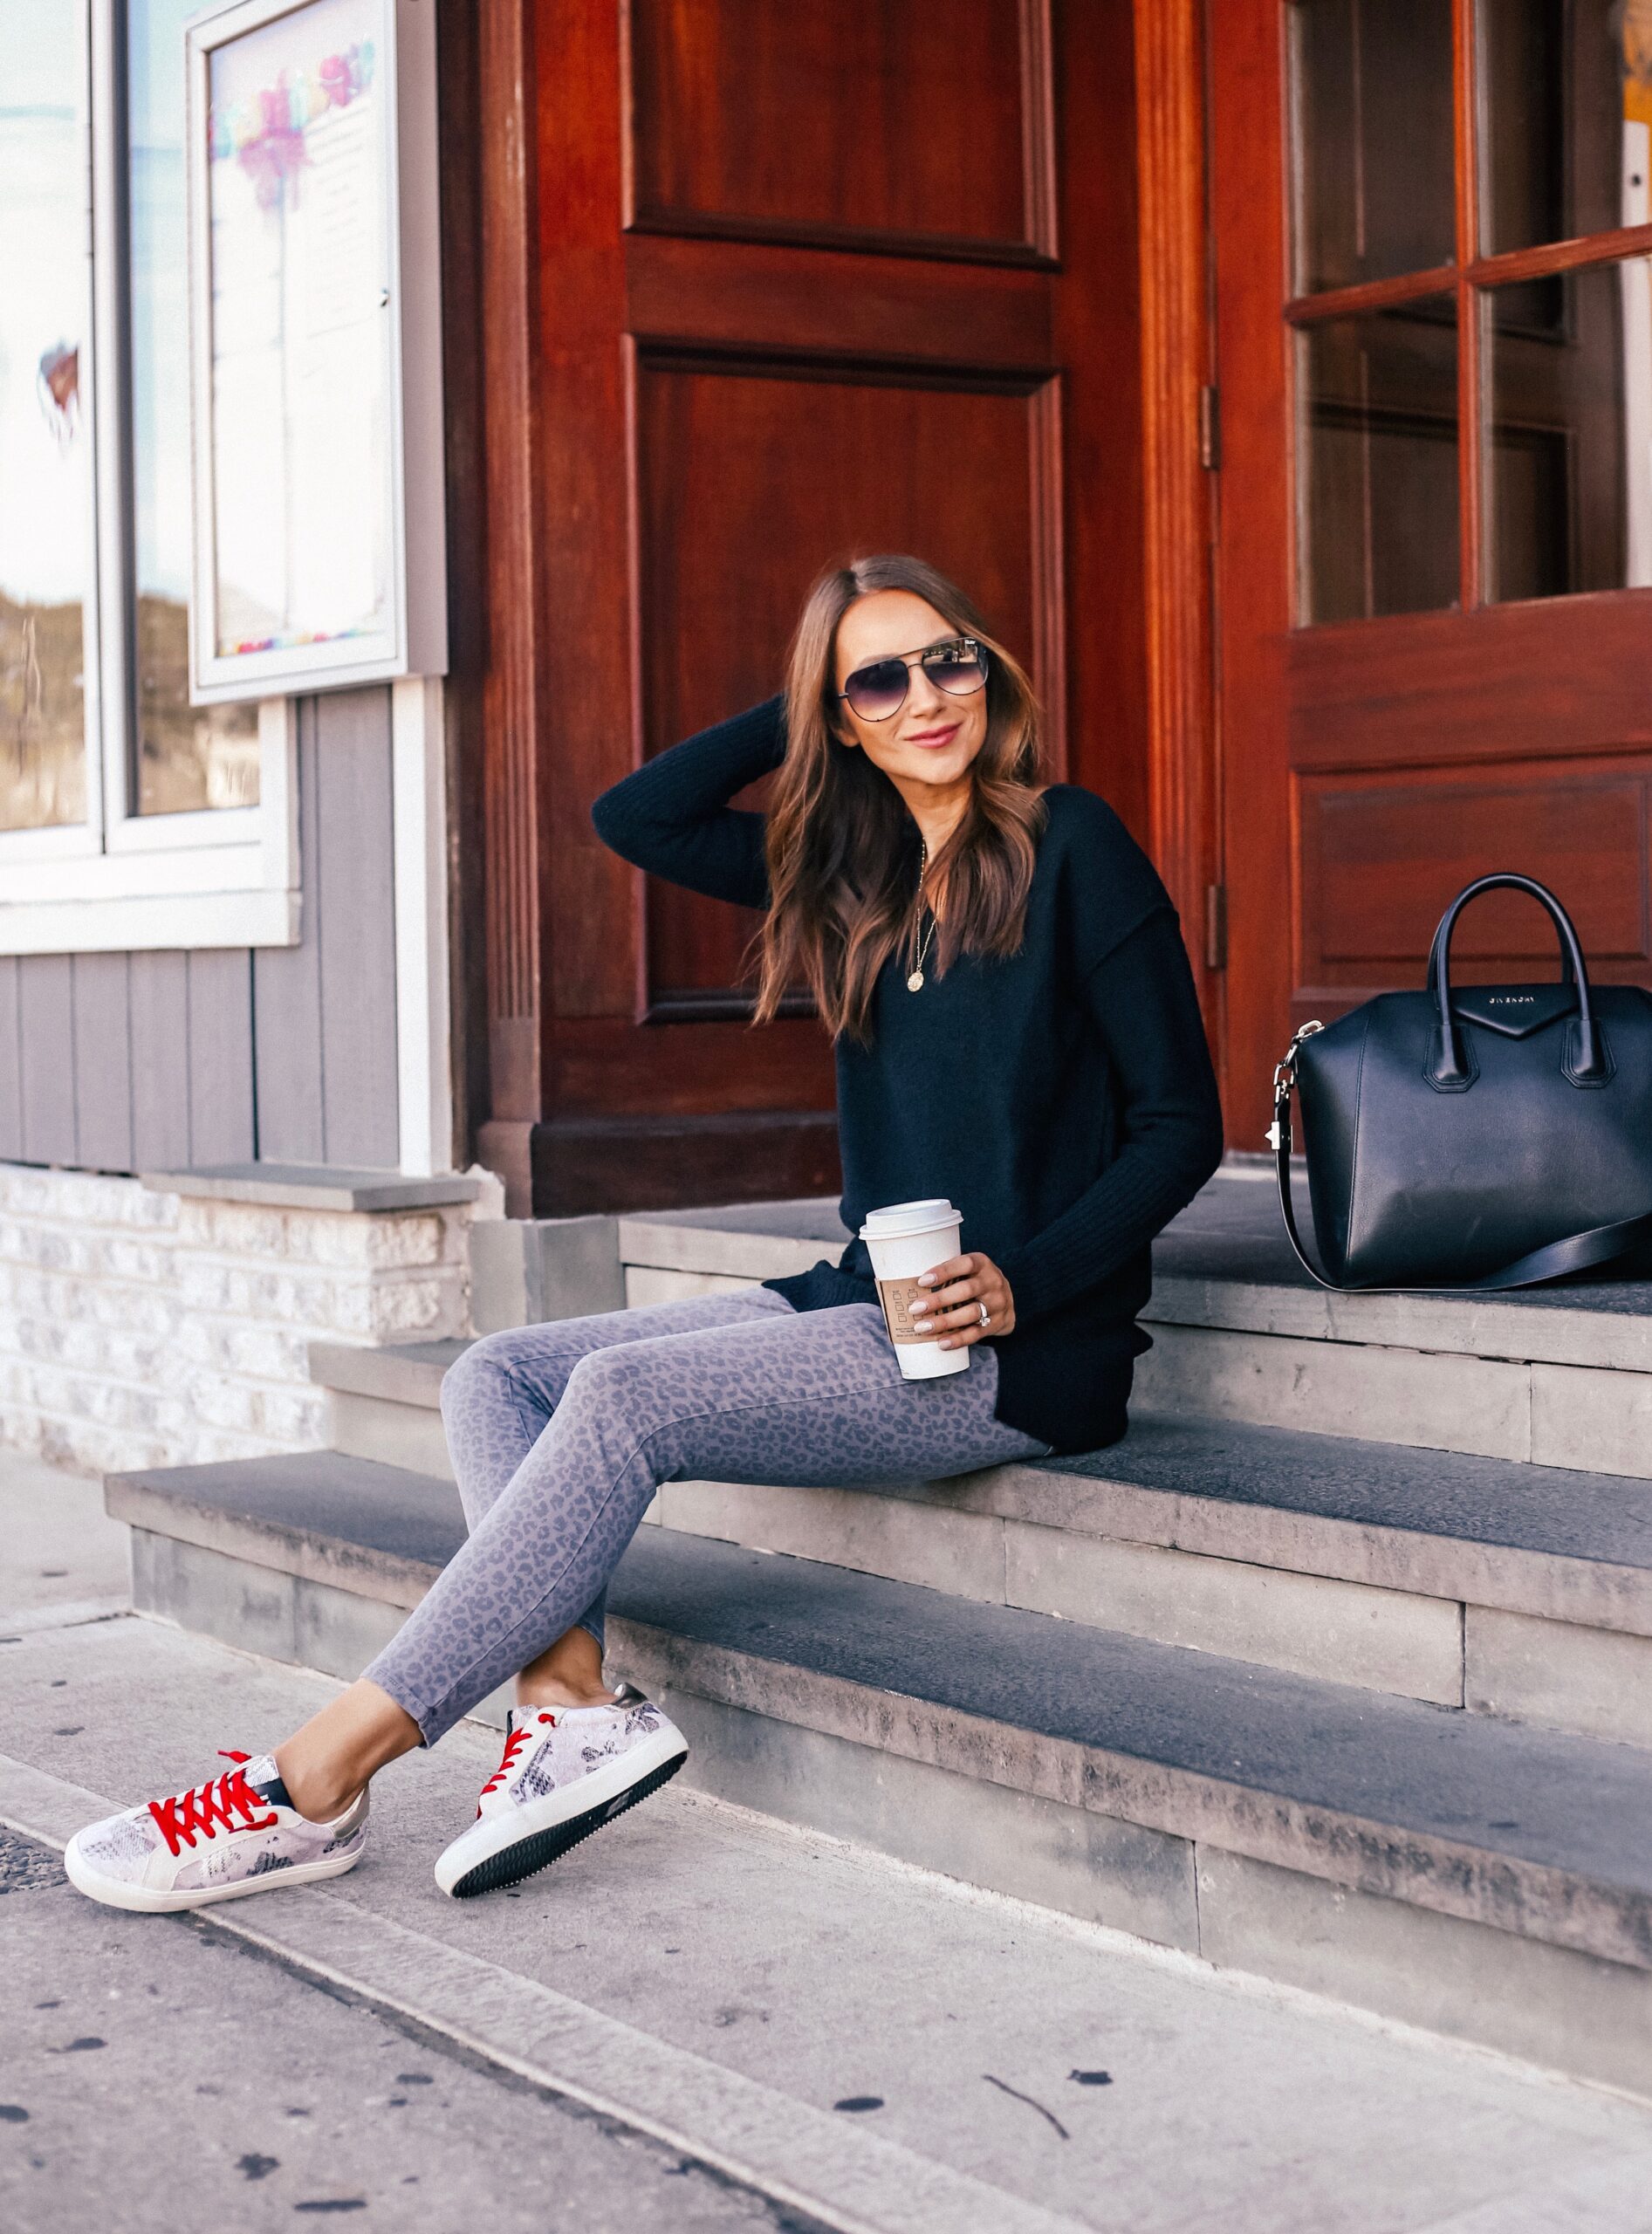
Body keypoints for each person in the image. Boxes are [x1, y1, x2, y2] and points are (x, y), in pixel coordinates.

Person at [63, 554, 1224, 1913]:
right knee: (494, 1373)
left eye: (949, 659)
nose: (927, 697)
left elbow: (1178, 1124)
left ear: (991, 670)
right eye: (880, 678)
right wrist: (806, 704)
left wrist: (1025, 1284)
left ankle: (318, 1779)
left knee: (617, 1399)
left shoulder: (1069, 842)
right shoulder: (847, 873)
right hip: (855, 1299)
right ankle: (565, 1708)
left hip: (1015, 1354)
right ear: (838, 716)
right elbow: (639, 816)